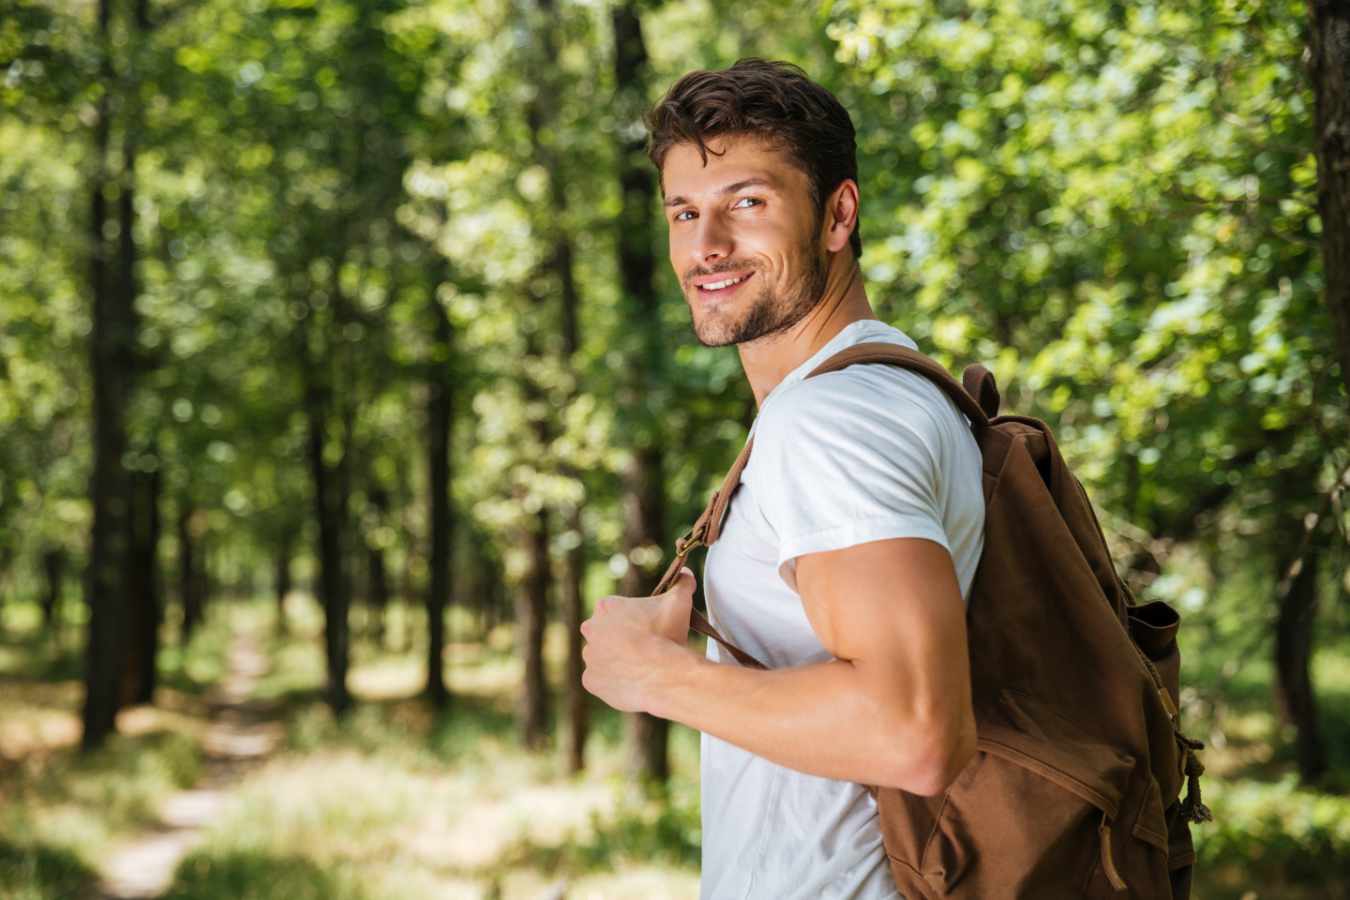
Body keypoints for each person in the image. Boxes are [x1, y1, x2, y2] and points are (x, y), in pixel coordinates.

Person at [580, 57, 986, 899]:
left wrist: (657, 677)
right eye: (685, 212)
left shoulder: (832, 422)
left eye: (747, 203)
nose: (706, 246)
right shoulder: (880, 387)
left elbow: (915, 730)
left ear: (838, 214)